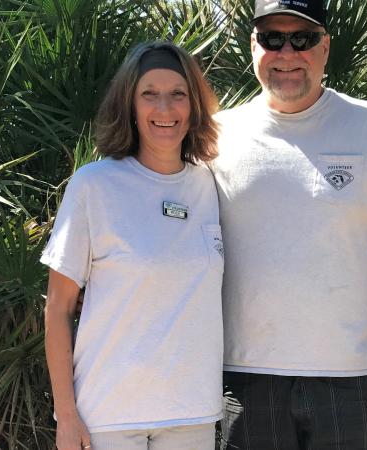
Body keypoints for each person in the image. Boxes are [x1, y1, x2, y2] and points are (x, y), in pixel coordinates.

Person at [210, 1, 367, 448]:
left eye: (303, 39)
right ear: (253, 46)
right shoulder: (216, 136)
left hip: (351, 378)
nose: (287, 53)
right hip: (243, 379)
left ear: (325, 47)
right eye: (273, 39)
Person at [42, 42, 224, 450]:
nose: (164, 108)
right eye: (149, 94)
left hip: (191, 414)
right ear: (129, 103)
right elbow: (57, 308)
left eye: (178, 93)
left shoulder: (210, 185)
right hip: (108, 416)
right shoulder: (94, 185)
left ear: (193, 105)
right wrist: (66, 415)